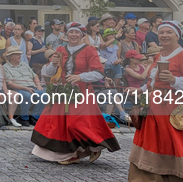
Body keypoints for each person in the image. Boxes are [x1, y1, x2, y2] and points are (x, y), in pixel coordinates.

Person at [128, 21, 183, 182]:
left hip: (174, 105)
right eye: (161, 32)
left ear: (177, 35)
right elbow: (152, 81)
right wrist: (140, 90)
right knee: (156, 141)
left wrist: (174, 80)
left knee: (179, 140)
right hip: (155, 104)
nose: (164, 35)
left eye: (168, 32)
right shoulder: (160, 55)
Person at [32, 23, 121, 164]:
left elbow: (99, 73)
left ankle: (94, 147)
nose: (73, 35)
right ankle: (69, 154)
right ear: (66, 34)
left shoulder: (89, 50)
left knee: (77, 124)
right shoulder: (60, 49)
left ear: (82, 35)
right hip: (62, 92)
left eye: (76, 32)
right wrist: (53, 64)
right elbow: (47, 73)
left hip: (82, 92)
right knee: (58, 124)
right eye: (71, 32)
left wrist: (80, 77)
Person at [3, 46, 45, 126]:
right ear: (11, 57)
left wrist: (38, 85)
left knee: (45, 95)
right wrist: (25, 88)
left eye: (20, 54)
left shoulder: (24, 65)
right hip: (18, 89)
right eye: (17, 54)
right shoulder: (6, 67)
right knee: (27, 95)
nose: (20, 56)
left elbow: (34, 76)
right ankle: (23, 117)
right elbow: (10, 83)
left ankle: (34, 117)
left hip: (32, 87)